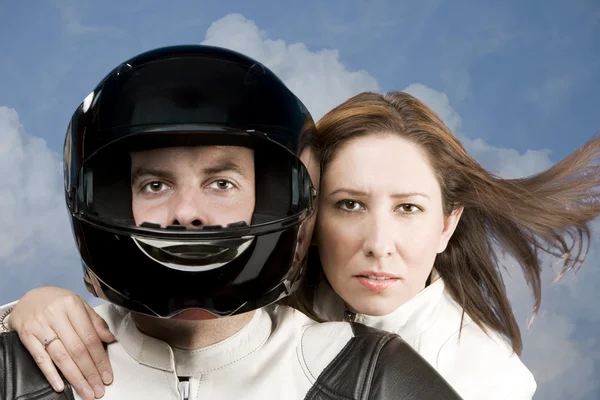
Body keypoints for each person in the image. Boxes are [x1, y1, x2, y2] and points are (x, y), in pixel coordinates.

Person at [0, 45, 462, 400]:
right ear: (110, 201)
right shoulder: (31, 367)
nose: (188, 213)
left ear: (277, 197)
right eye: (155, 186)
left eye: (221, 184)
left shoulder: (365, 376)